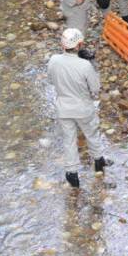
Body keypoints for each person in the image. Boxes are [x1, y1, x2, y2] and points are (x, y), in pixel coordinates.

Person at [46, 28, 112, 188]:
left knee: (69, 140)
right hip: (83, 107)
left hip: (63, 107)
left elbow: (50, 80)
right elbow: (95, 88)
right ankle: (98, 162)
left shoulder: (54, 60)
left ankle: (72, 175)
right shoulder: (84, 65)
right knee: (92, 133)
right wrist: (90, 63)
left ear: (62, 45)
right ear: (79, 45)